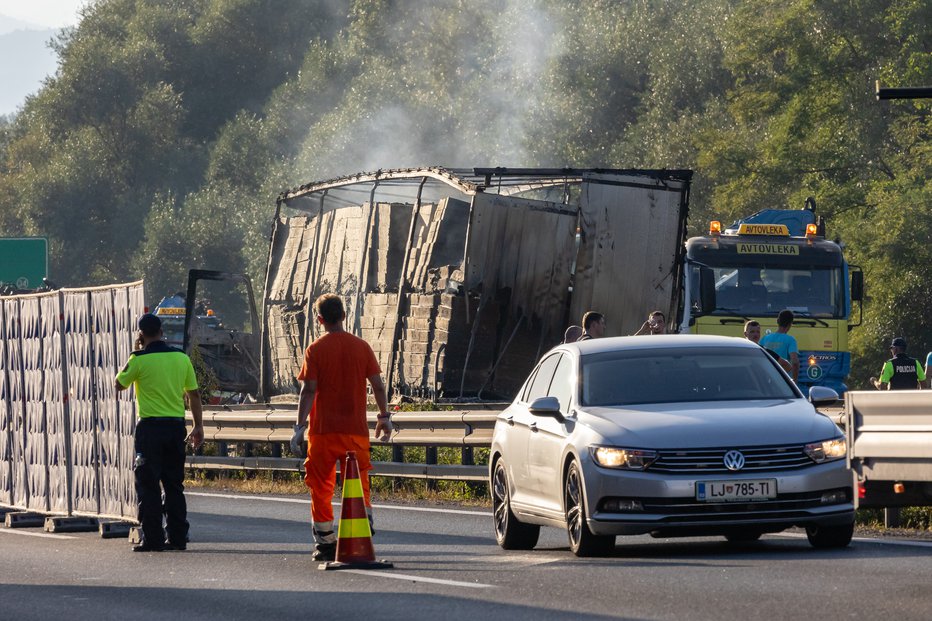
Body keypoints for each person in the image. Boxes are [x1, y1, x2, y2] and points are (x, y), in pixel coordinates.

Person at [291, 294, 393, 562]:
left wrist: (299, 426)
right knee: (360, 483)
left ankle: (325, 542)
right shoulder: (362, 347)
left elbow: (309, 390)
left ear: (320, 319)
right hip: (356, 431)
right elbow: (378, 386)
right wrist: (384, 417)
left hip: (323, 431)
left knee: (321, 485)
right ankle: (363, 530)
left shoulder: (315, 349)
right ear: (344, 316)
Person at [115, 313, 204, 552]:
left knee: (149, 484)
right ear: (162, 331)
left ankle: (153, 538)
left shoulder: (138, 359)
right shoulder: (181, 358)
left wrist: (135, 352)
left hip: (150, 429)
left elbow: (118, 384)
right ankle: (177, 537)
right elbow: (193, 395)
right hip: (175, 427)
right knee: (174, 484)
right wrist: (198, 426)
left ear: (141, 334)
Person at [759, 309, 800, 380]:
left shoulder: (765, 338)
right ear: (790, 324)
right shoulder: (790, 340)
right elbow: (795, 362)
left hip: (765, 378)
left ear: (777, 321)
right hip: (781, 380)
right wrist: (794, 380)